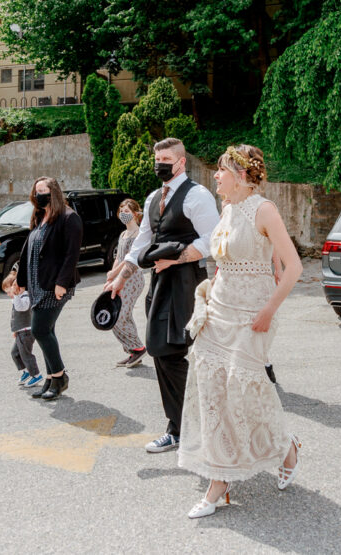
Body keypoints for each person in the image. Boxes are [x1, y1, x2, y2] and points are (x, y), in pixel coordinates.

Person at [177, 144, 304, 519]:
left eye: (222, 170)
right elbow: (228, 256)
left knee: (246, 391)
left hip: (253, 316)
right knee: (212, 390)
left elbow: (295, 265)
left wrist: (269, 309)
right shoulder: (227, 209)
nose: (216, 175)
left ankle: (285, 447)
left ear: (242, 175)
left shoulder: (264, 209)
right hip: (218, 311)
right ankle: (220, 479)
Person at [103, 137, 220, 453]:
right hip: (159, 284)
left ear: (181, 162)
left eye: (165, 158)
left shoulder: (198, 196)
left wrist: (177, 258)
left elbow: (214, 239)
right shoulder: (154, 196)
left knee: (173, 352)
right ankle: (185, 426)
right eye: (157, 158)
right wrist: (119, 279)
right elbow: (141, 244)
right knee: (162, 351)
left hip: (187, 284)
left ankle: (187, 427)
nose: (160, 164)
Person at [15, 177, 83, 401]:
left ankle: (60, 376)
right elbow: (28, 250)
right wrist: (19, 278)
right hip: (37, 284)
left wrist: (62, 283)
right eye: (36, 191)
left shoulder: (68, 218)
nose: (38, 195)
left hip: (55, 285)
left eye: (43, 191)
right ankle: (51, 378)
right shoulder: (39, 216)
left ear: (53, 192)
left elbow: (72, 254)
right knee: (47, 331)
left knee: (40, 330)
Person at [104, 198, 148, 367]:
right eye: (121, 210)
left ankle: (137, 348)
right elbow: (118, 257)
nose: (123, 214)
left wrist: (115, 273)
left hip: (132, 278)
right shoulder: (123, 234)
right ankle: (133, 350)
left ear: (136, 214)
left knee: (120, 315)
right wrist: (111, 274)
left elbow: (129, 259)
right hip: (119, 277)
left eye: (127, 211)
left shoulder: (138, 234)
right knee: (119, 315)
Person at [2, 269, 43, 389]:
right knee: (15, 353)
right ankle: (25, 371)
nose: (9, 294)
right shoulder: (18, 298)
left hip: (26, 331)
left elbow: (21, 309)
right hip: (20, 331)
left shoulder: (25, 296)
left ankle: (36, 374)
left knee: (26, 354)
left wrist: (16, 295)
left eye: (8, 291)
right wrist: (15, 330)